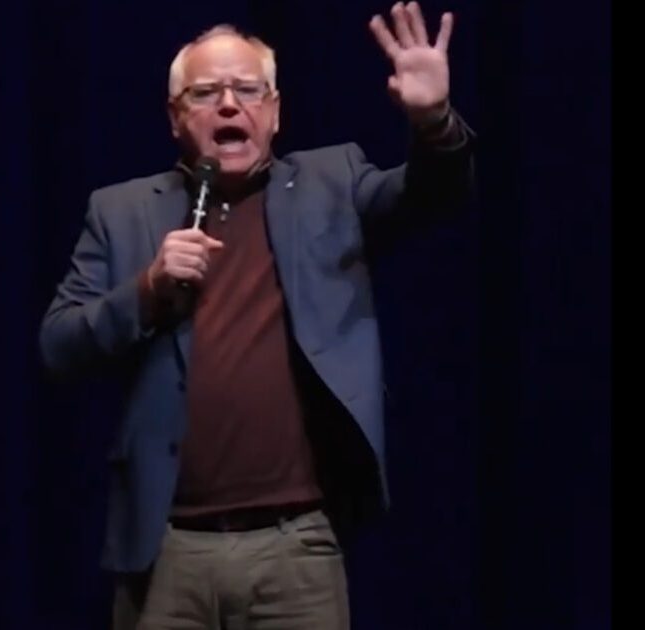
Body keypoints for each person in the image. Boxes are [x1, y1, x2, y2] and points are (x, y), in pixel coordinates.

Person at [39, 2, 475, 627]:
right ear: (175, 116)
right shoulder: (121, 211)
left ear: (274, 111)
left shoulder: (333, 182)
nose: (228, 105)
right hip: (167, 551)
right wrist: (147, 288)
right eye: (205, 93)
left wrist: (433, 122)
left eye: (247, 90)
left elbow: (433, 195)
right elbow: (58, 347)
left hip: (296, 548)